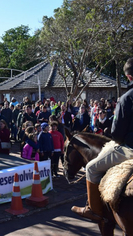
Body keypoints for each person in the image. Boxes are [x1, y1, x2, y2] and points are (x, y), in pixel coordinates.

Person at [71, 57, 133, 224]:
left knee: (91, 167)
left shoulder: (127, 98)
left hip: (130, 149)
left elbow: (117, 134)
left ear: (128, 77)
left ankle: (94, 210)